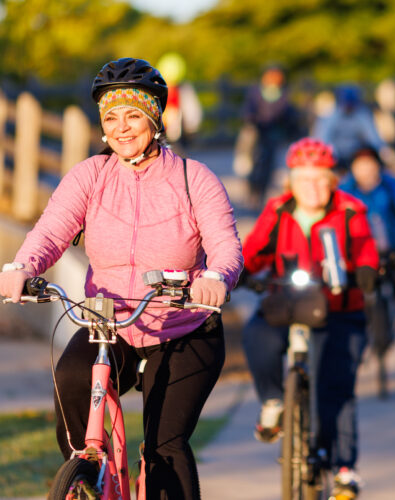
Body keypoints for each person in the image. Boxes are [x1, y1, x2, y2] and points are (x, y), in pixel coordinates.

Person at [0, 58, 243, 500]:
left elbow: (225, 243)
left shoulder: (194, 179)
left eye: (133, 115)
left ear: (155, 117)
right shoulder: (91, 175)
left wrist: (215, 276)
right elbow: (52, 230)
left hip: (183, 327)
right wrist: (23, 266)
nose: (122, 127)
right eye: (111, 117)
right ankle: (87, 477)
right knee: (72, 378)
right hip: (112, 324)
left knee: (164, 447)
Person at [240, 137, 379, 498]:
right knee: (257, 337)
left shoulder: (350, 210)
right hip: (286, 302)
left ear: (332, 180)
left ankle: (344, 468)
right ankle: (274, 402)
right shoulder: (278, 209)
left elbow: (364, 247)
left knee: (336, 386)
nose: (312, 186)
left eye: (320, 178)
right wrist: (237, 271)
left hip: (338, 308)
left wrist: (365, 270)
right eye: (304, 179)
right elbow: (254, 250)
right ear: (291, 182)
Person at [340, 146, 395, 308]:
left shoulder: (390, 186)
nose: (366, 172)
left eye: (370, 166)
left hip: (389, 245)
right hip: (358, 250)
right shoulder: (345, 190)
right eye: (360, 166)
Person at [238, 64, 298, 208]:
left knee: (268, 165)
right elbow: (248, 109)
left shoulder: (284, 94)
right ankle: (252, 189)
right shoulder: (256, 92)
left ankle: (261, 193)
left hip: (272, 134)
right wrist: (252, 119)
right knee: (252, 162)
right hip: (256, 131)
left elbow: (289, 115)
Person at [314, 85, 388, 169]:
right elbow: (323, 139)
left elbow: (373, 137)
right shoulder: (330, 115)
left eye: (351, 104)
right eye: (346, 104)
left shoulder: (362, 114)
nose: (348, 107)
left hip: (355, 156)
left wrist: (383, 151)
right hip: (335, 157)